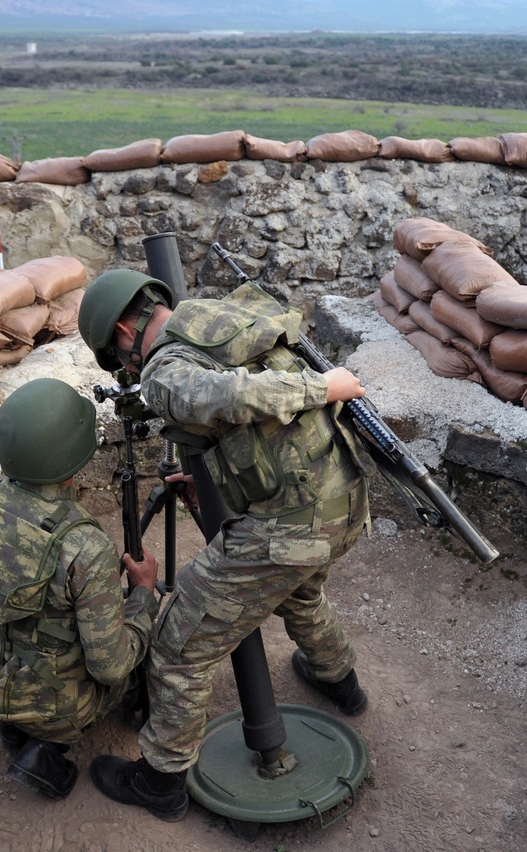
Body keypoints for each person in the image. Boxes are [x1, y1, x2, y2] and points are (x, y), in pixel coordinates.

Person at [76, 269, 374, 821]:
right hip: (342, 497)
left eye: (116, 359)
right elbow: (256, 432)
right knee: (299, 594)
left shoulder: (164, 370)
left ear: (122, 330)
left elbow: (233, 398)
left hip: (289, 529)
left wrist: (324, 385)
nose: (125, 371)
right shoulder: (213, 318)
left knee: (177, 644)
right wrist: (217, 481)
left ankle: (160, 778)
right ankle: (342, 684)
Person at [0, 377, 160, 800]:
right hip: (58, 709)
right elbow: (111, 667)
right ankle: (45, 744)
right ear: (73, 457)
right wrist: (143, 595)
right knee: (151, 637)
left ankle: (14, 727)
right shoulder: (84, 546)